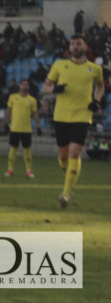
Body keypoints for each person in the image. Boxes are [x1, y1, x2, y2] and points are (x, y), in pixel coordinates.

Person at [41, 34, 105, 208]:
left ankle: (66, 194)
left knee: (74, 154)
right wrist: (55, 89)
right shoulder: (60, 65)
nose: (75, 46)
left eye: (79, 44)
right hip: (61, 115)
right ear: (69, 47)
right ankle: (69, 181)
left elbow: (100, 87)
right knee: (63, 156)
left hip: (82, 116)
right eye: (73, 44)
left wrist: (96, 101)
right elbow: (45, 87)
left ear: (85, 47)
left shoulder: (94, 68)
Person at [4, 79, 38, 178]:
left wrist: (38, 126)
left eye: (26, 85)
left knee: (27, 149)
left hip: (27, 129)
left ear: (29, 87)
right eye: (23, 84)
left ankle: (29, 171)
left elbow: (35, 114)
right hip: (14, 128)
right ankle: (10, 170)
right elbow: (8, 111)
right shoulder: (13, 97)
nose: (24, 86)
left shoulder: (32, 100)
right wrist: (6, 123)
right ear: (20, 86)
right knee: (13, 149)